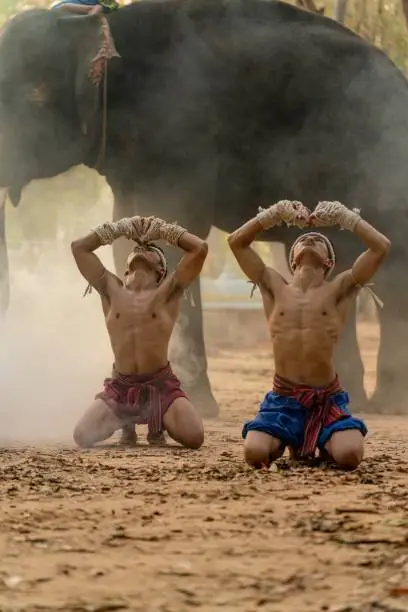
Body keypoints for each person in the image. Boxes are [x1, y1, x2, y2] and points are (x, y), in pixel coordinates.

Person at [227, 199, 390, 470]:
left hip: (327, 399)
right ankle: (292, 437)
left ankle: (323, 441)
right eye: (306, 238)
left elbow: (380, 247)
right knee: (254, 454)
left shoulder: (340, 288)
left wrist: (346, 217)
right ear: (293, 258)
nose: (311, 238)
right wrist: (272, 215)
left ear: (329, 261)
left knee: (350, 456)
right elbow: (236, 242)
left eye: (319, 239)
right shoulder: (272, 285)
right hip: (283, 399)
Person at [71, 215, 207, 450]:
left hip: (162, 385)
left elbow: (199, 249)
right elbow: (79, 248)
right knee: (82, 435)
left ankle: (161, 418)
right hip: (121, 387)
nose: (143, 247)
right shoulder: (111, 290)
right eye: (138, 247)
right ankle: (123, 418)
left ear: (161, 270)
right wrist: (119, 228)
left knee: (194, 437)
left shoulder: (168, 292)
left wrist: (164, 231)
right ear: (126, 269)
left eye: (151, 248)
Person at [50, 0, 118, 17]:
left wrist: (102, 8)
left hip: (90, 7)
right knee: (61, 7)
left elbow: (113, 5)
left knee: (64, 7)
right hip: (66, 5)